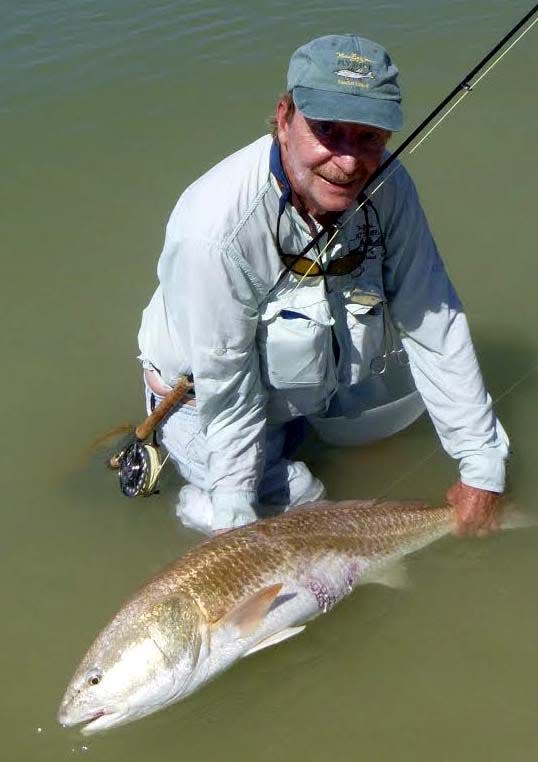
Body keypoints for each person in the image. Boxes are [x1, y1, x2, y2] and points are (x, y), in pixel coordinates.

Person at [137, 34, 509, 535]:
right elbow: (228, 387)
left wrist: (482, 468)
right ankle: (207, 491)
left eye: (369, 136)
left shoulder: (389, 188)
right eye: (328, 130)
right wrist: (236, 517)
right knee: (306, 515)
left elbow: (433, 320)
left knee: (406, 415)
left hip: (316, 378)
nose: (349, 161)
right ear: (285, 117)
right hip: (207, 400)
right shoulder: (214, 230)